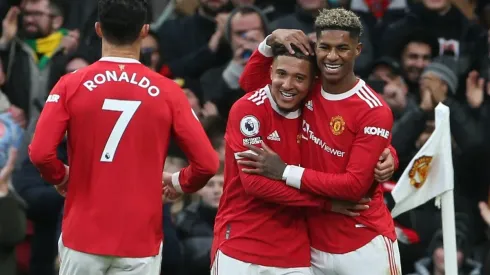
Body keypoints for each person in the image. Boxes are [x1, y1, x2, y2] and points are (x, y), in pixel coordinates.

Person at [28, 0, 219, 274]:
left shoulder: (71, 84)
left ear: (98, 29)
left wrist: (62, 176)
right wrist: (178, 183)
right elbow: (207, 163)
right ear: (144, 31)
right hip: (140, 238)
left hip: (82, 236)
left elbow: (40, 153)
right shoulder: (168, 91)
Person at [238, 8, 401, 275]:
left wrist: (284, 172)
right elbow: (250, 85)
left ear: (357, 50)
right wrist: (269, 43)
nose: (332, 56)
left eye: (342, 48)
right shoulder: (306, 86)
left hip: (364, 241)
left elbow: (353, 188)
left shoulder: (373, 109)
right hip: (313, 246)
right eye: (324, 47)